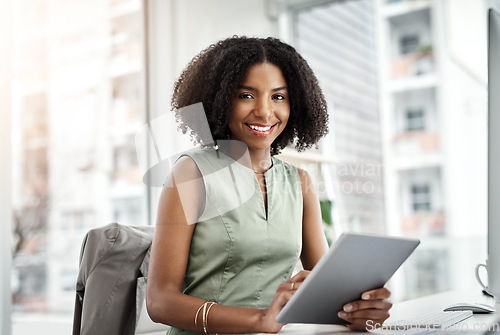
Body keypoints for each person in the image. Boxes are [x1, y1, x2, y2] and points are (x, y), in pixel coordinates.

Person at [146, 36, 392, 334]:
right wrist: (259, 320)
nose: (264, 111)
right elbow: (160, 302)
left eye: (278, 97)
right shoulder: (191, 174)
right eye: (246, 95)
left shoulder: (300, 182)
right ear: (220, 99)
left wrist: (359, 309)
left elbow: (327, 290)